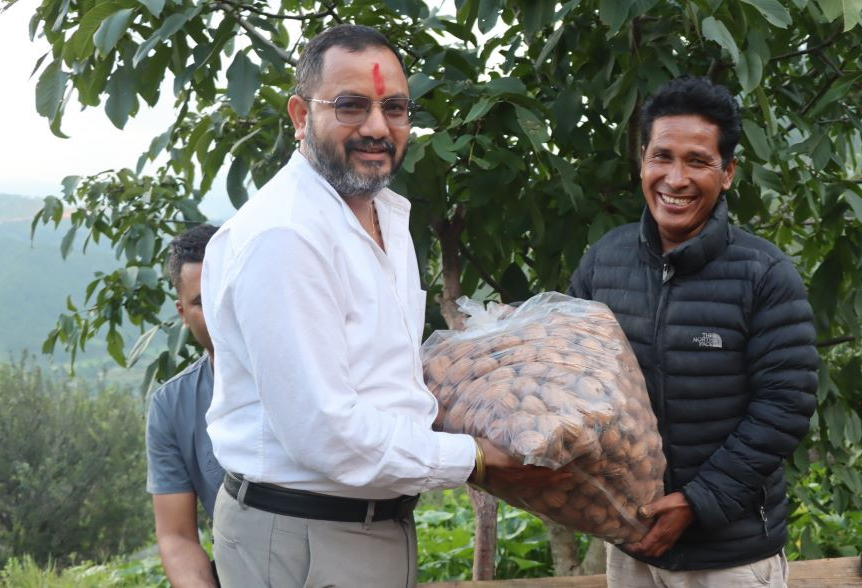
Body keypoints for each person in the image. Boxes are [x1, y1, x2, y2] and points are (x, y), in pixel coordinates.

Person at [201, 24, 548, 587]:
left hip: (369, 526)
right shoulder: (286, 236)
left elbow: (381, 376)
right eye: (351, 106)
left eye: (395, 108)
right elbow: (324, 431)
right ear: (300, 115)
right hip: (305, 535)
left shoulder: (386, 213)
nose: (378, 128)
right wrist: (477, 457)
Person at [568, 76, 819, 587]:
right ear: (642, 160)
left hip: (730, 556)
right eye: (662, 157)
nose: (676, 179)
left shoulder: (765, 274)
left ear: (727, 173)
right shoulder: (604, 261)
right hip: (631, 543)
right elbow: (568, 373)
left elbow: (785, 406)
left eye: (698, 161)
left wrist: (698, 502)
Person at [146, 223, 222, 588]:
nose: (218, 311)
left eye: (226, 292)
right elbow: (176, 535)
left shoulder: (310, 369)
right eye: (202, 302)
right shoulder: (172, 405)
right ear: (182, 311)